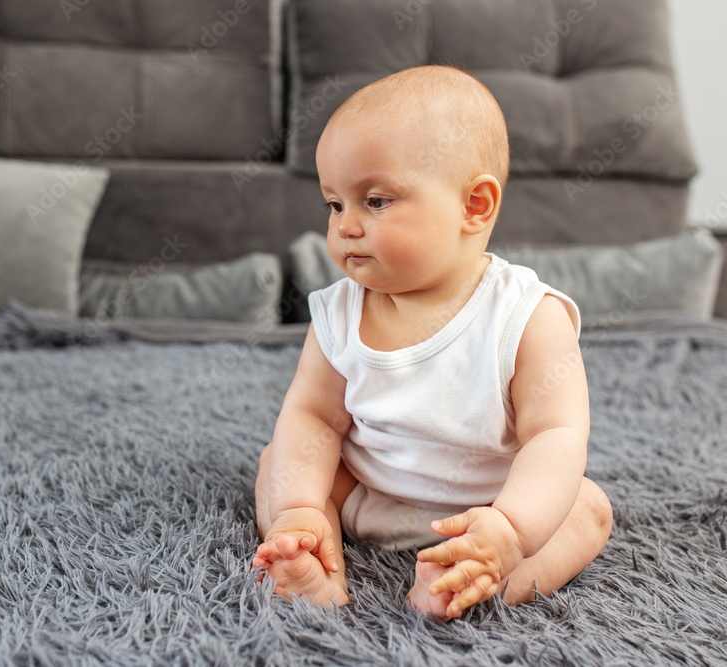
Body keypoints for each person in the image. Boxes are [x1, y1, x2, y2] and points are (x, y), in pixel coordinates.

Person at [253, 65, 613, 621]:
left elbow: (557, 435)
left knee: (586, 509)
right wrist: (300, 506)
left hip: (487, 508)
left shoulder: (528, 317)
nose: (346, 226)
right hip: (368, 495)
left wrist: (512, 527)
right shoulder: (339, 311)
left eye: (375, 201)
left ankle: (476, 581)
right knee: (280, 463)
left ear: (474, 206)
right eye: (334, 204)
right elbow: (314, 418)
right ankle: (312, 558)